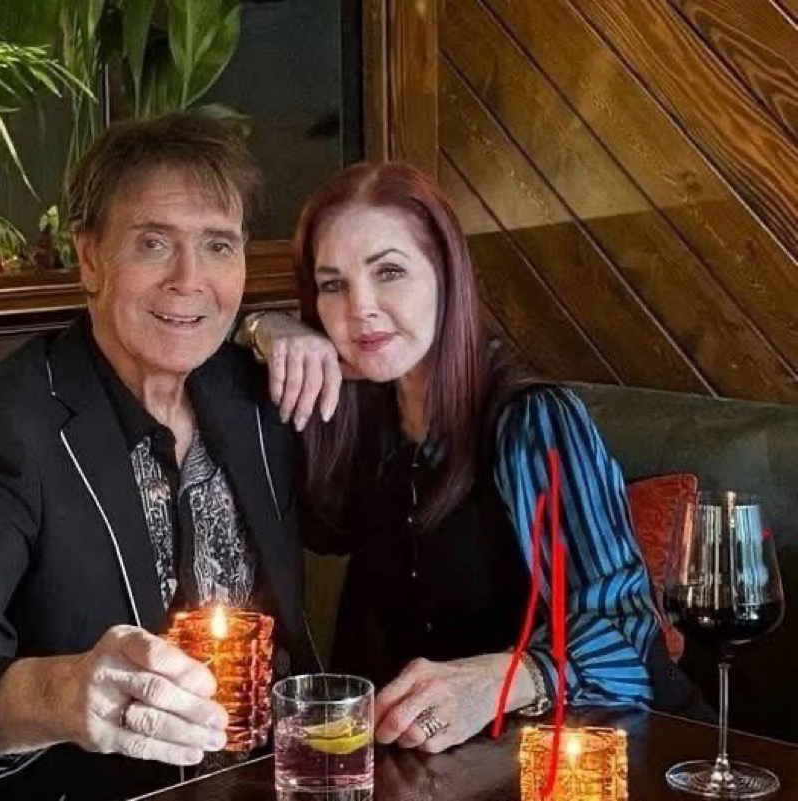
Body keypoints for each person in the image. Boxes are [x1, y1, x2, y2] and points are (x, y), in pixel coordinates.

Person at [0, 113, 319, 801]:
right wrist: (60, 694)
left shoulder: (259, 392)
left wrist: (276, 323)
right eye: (153, 243)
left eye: (217, 245)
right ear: (89, 258)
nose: (189, 279)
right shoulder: (9, 420)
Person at [242, 161, 704, 755]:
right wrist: (266, 326)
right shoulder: (359, 416)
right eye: (333, 285)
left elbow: (628, 631)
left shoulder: (532, 420)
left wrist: (502, 679)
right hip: (447, 765)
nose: (360, 308)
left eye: (389, 272)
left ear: (447, 276)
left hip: (608, 756)